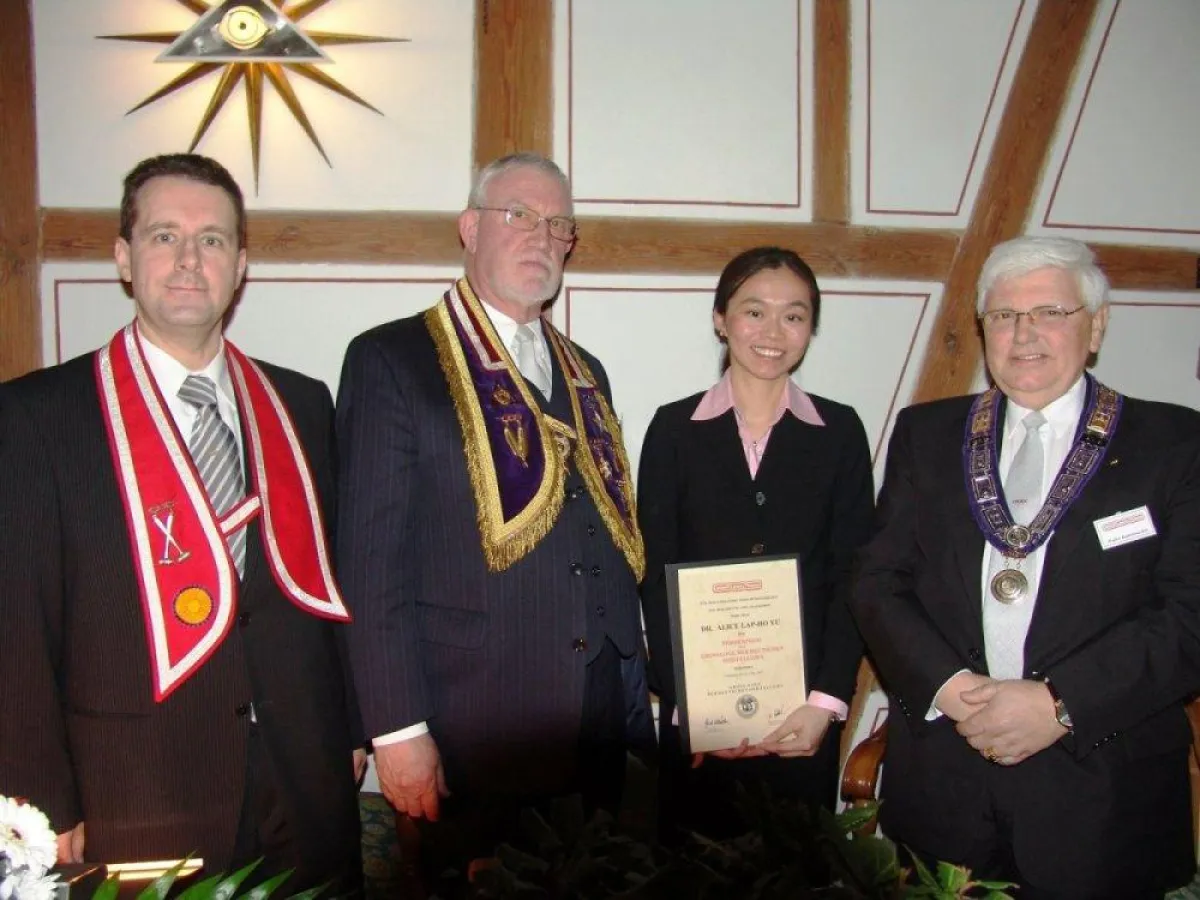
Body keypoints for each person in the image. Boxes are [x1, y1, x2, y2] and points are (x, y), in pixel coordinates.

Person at [0, 154, 364, 893]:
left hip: (304, 777)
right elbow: (17, 627)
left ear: (241, 266)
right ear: (123, 258)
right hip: (133, 785)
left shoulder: (301, 403)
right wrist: (38, 800)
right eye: (164, 236)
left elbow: (334, 581)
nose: (190, 260)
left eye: (213, 239)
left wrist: (351, 728)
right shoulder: (37, 416)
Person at [851, 235, 1200, 899]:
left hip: (1103, 794)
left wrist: (1060, 704)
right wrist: (954, 691)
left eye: (1050, 313)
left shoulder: (1175, 443)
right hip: (948, 781)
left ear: (1096, 325)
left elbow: (1190, 614)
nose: (1024, 333)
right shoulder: (927, 434)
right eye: (1005, 315)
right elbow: (877, 583)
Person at [336, 153, 653, 862]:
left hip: (601, 715)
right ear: (470, 227)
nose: (542, 236)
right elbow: (367, 564)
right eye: (520, 215)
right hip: (470, 722)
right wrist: (396, 729)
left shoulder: (586, 370)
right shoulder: (393, 359)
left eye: (559, 224)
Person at [637, 246, 875, 842]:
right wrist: (694, 710)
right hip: (700, 721)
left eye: (794, 315)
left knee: (797, 869)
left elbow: (853, 575)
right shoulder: (672, 429)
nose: (773, 332)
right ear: (721, 319)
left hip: (803, 717)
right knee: (690, 870)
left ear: (811, 329)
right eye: (754, 311)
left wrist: (826, 702)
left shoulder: (841, 432)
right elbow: (654, 575)